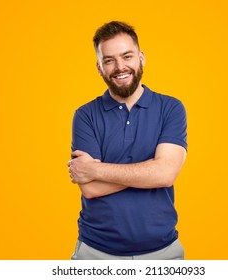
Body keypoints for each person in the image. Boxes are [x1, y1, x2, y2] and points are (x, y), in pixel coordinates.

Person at [68, 21, 187, 260]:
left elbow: (164, 175)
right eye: (109, 60)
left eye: (127, 56)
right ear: (99, 67)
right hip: (95, 253)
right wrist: (149, 169)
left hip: (163, 253)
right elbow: (90, 188)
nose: (119, 67)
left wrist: (95, 169)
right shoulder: (85, 115)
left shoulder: (171, 108)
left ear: (141, 58)